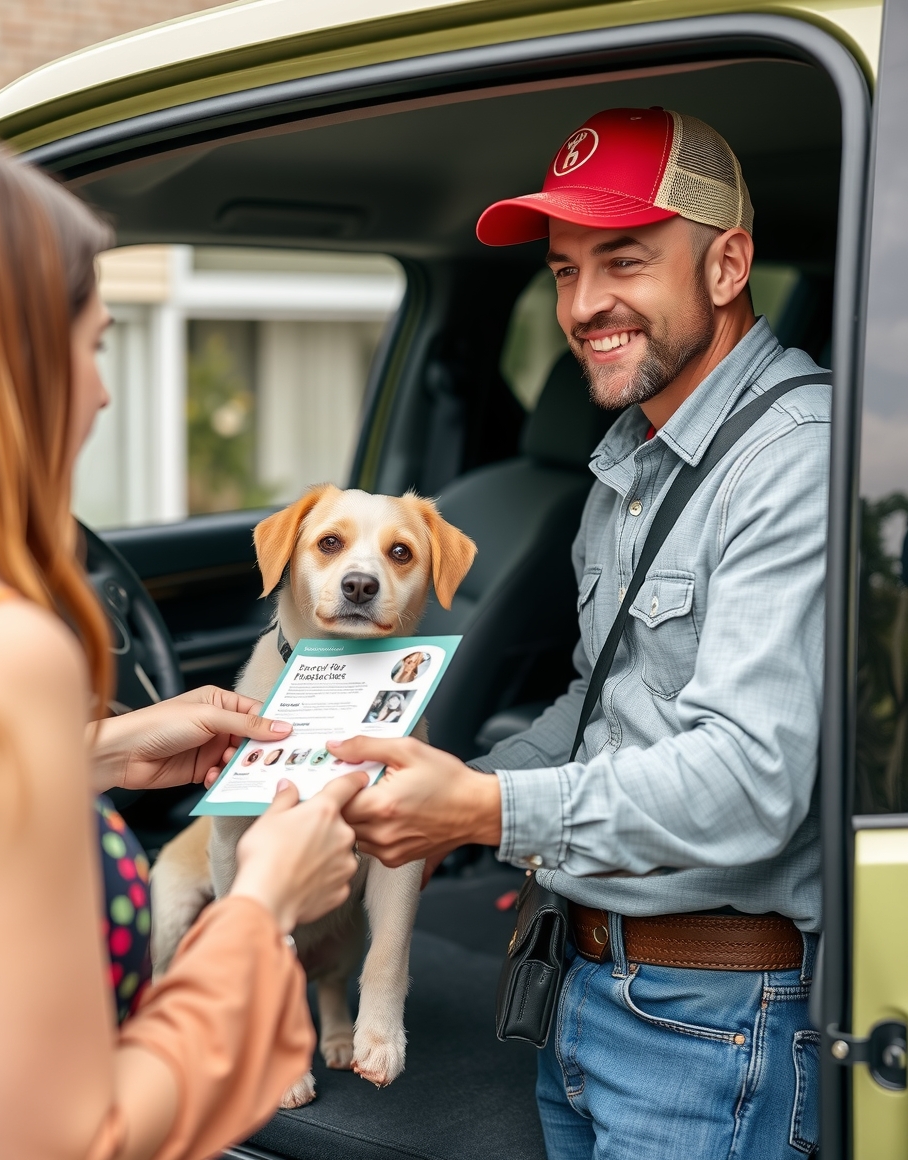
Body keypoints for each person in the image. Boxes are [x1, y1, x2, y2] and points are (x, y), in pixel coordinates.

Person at [330, 107, 828, 1159]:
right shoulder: (627, 460)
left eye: (624, 260)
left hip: (709, 1018)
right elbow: (600, 706)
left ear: (727, 261)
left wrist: (480, 809)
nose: (584, 303)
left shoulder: (796, 458)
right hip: (582, 981)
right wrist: (438, 791)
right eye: (562, 269)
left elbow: (750, 779)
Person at [0, 142, 368, 1160]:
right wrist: (261, 904)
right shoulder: (13, 648)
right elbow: (65, 1133)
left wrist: (100, 751)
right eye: (94, 345)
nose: (103, 395)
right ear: (13, 362)